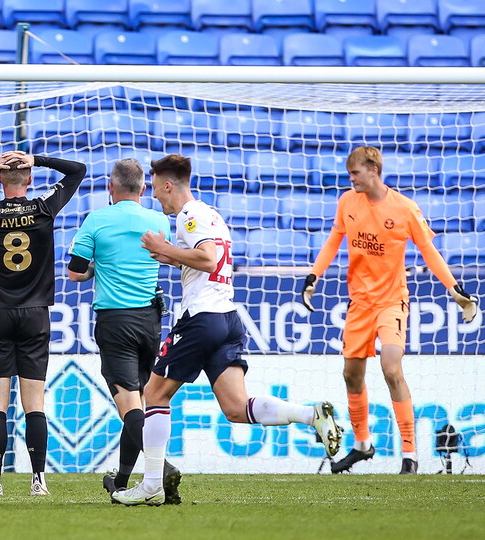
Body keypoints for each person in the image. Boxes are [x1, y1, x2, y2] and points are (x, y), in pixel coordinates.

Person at [110, 155, 343, 506]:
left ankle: (152, 486)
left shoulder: (190, 216)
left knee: (154, 395)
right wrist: (171, 257)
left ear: (169, 185)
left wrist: (165, 248)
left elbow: (208, 258)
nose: (155, 196)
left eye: (156, 189)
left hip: (201, 318)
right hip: (227, 318)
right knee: (235, 407)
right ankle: (312, 415)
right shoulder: (211, 214)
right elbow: (208, 259)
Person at [300, 146, 478, 475]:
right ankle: (362, 445)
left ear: (373, 170)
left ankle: (410, 455)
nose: (350, 178)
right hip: (359, 303)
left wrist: (454, 289)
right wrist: (313, 276)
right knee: (351, 375)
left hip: (392, 301)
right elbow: (332, 242)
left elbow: (429, 252)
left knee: (391, 368)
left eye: (355, 173)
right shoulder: (346, 202)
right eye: (349, 173)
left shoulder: (405, 209)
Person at [0, 150, 86, 497]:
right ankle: (39, 480)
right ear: (31, 180)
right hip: (35, 313)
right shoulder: (44, 206)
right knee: (34, 401)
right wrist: (36, 158)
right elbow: (78, 170)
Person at [66, 158, 180, 502]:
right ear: (144, 189)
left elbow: (75, 272)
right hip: (150, 321)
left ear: (110, 188)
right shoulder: (159, 220)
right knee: (143, 405)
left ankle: (161, 471)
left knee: (130, 408)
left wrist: (97, 269)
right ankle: (122, 479)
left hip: (115, 322)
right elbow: (167, 259)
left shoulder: (97, 219)